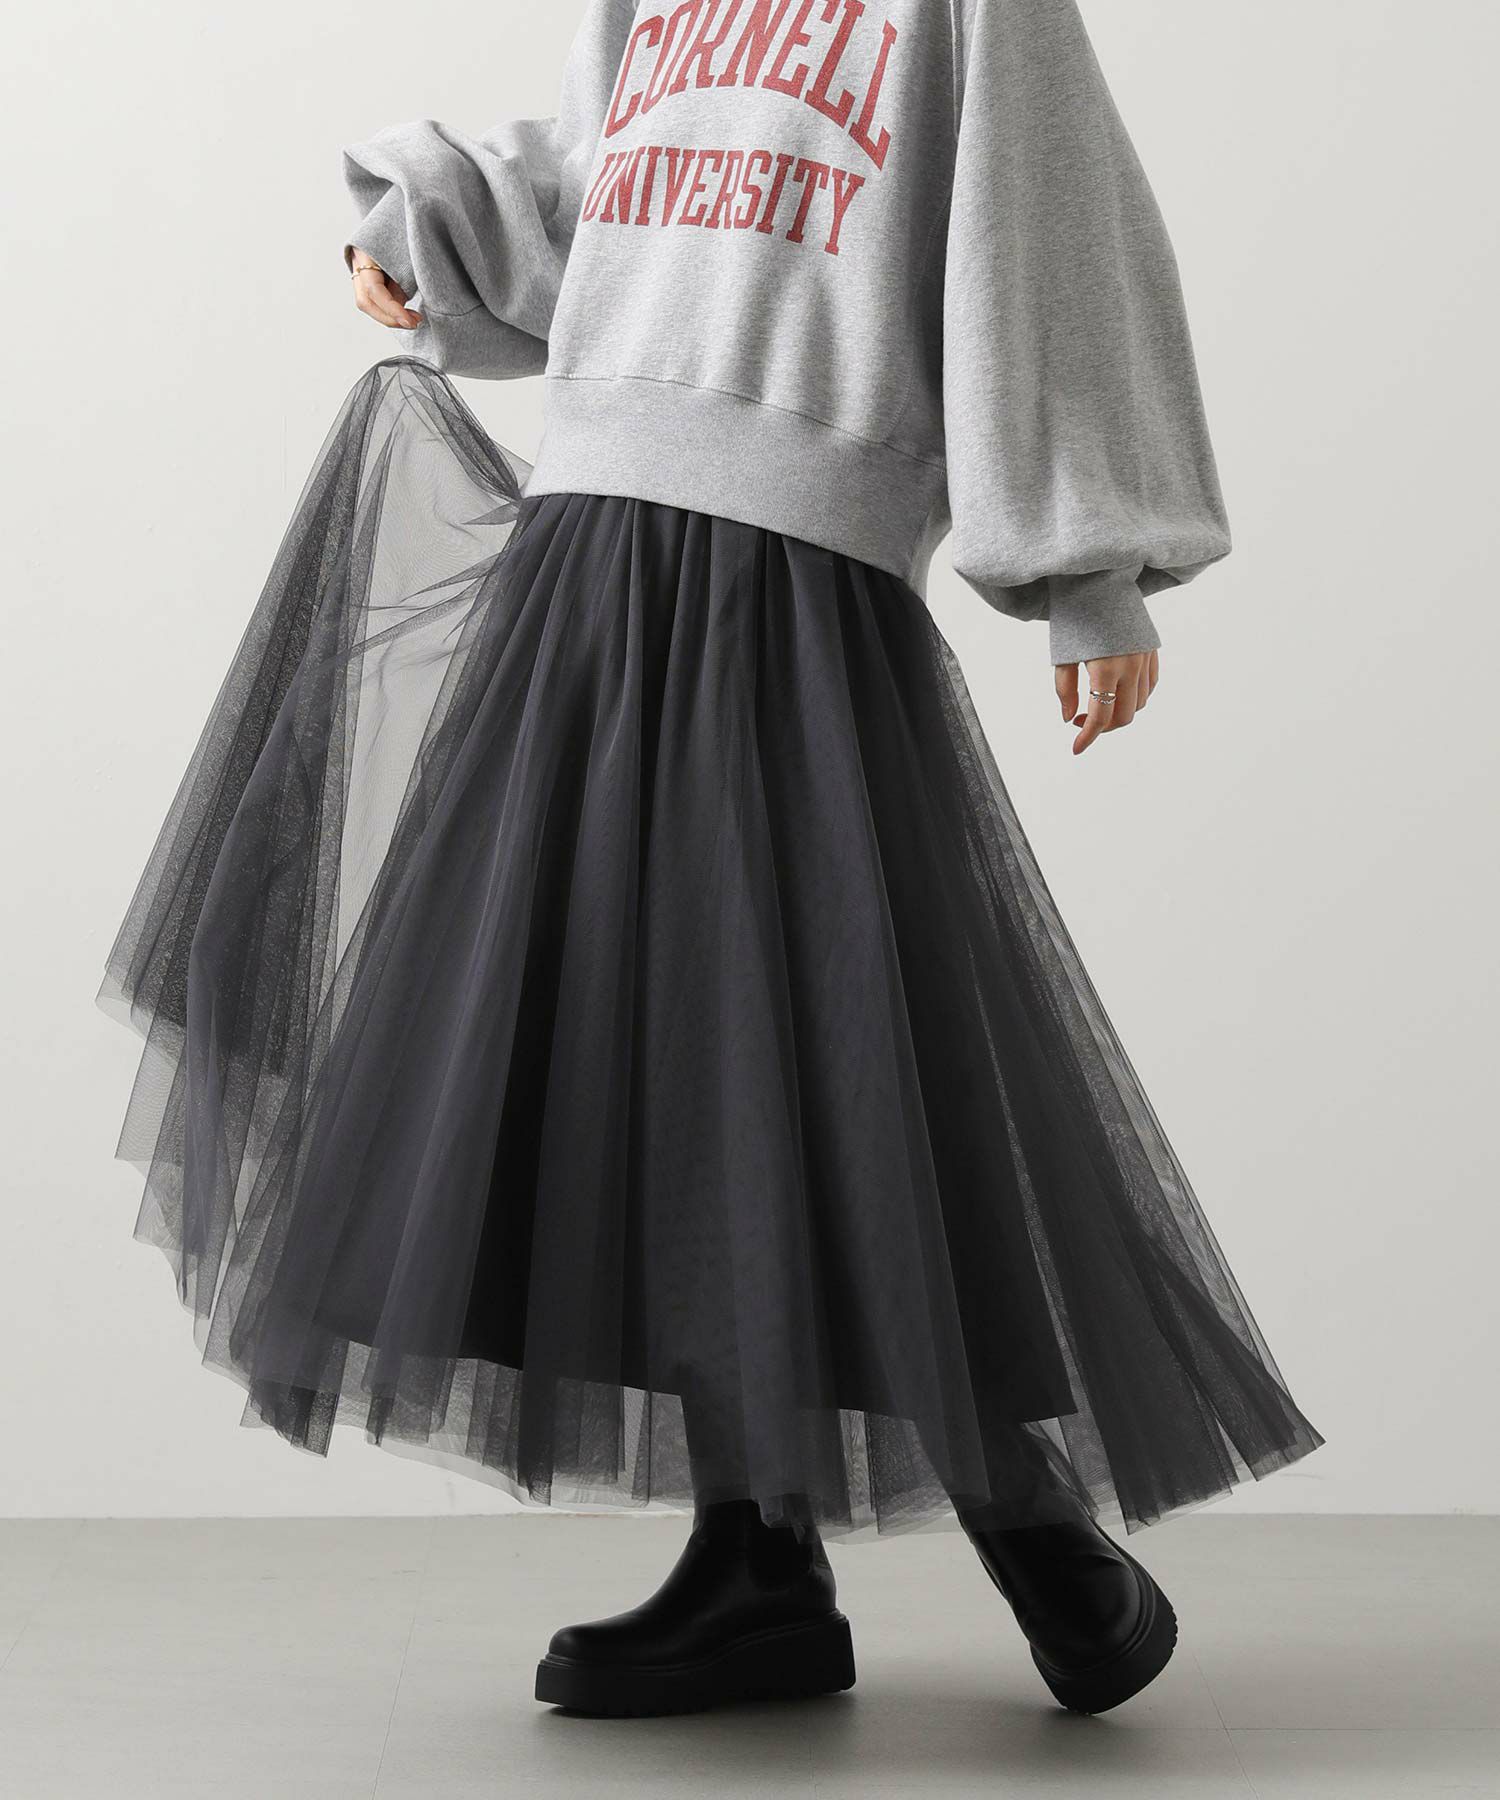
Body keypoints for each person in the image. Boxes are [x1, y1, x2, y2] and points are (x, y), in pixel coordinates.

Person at [100, 0, 1321, 1722]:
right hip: (588, 550)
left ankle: (1023, 1510)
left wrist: (1088, 561)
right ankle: (759, 1561)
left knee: (826, 1057)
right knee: (643, 1057)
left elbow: (1041, 223)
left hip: (790, 574)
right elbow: (615, 179)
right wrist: (433, 237)